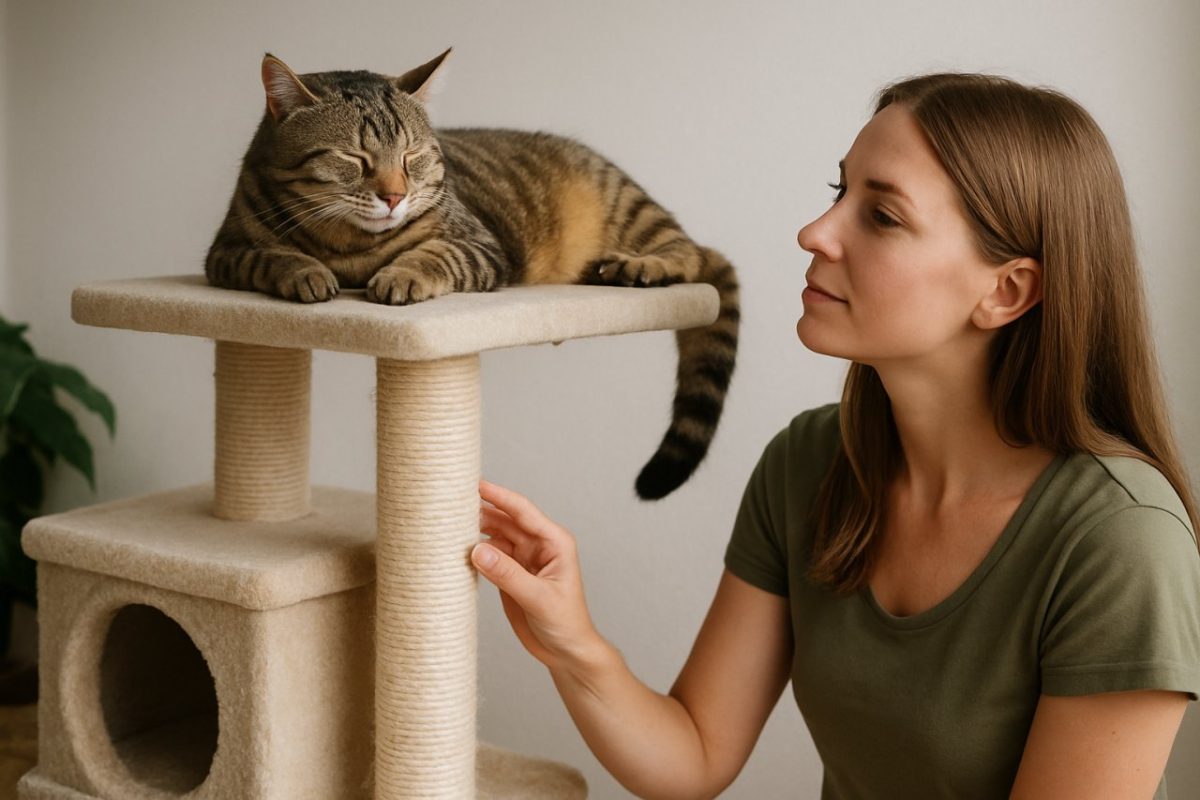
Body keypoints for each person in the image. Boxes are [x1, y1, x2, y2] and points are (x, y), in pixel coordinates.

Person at [470, 73, 1200, 799]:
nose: (814, 233)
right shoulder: (809, 463)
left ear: (1005, 291)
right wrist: (573, 644)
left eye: (882, 215)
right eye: (838, 190)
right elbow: (693, 756)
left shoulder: (1121, 538)